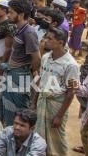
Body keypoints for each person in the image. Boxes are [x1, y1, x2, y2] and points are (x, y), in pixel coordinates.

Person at [33, 27, 79, 156]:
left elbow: (71, 92)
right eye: (46, 37)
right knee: (39, 135)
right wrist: (34, 102)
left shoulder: (70, 65)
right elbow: (40, 79)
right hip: (42, 101)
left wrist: (59, 115)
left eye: (50, 39)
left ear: (61, 42)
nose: (45, 41)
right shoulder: (46, 57)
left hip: (56, 104)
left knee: (56, 139)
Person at [0, 0, 40, 126]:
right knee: (6, 106)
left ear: (21, 15)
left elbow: (36, 58)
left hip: (19, 76)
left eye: (11, 12)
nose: (8, 15)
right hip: (12, 72)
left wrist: (27, 71)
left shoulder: (29, 32)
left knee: (17, 110)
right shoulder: (19, 29)